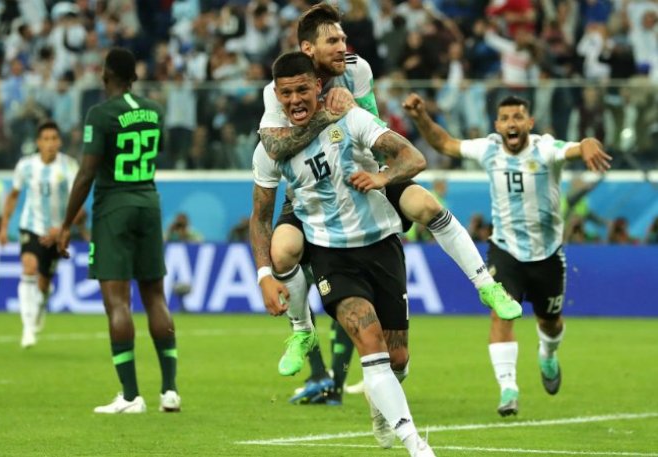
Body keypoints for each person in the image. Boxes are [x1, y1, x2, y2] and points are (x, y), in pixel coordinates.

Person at [257, 2, 520, 417]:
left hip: (364, 173)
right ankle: (301, 331)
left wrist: (379, 169)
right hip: (311, 190)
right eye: (333, 40)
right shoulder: (283, 86)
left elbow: (372, 128)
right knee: (283, 248)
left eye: (344, 38)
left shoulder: (357, 69)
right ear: (308, 49)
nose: (343, 46)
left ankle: (486, 285)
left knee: (425, 204)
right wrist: (327, 114)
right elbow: (274, 146)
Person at [251, 51, 434, 457]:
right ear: (276, 96)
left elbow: (413, 157)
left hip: (381, 244)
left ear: (318, 86)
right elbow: (261, 217)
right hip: (330, 256)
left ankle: (381, 406)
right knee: (370, 344)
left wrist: (383, 177)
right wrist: (264, 274)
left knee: (397, 358)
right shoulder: (270, 150)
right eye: (286, 93)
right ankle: (417, 446)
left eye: (302, 90)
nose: (295, 100)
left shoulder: (350, 118)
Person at [402, 92, 612, 416]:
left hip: (547, 254)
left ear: (529, 122)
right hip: (505, 249)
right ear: (497, 125)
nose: (511, 123)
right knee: (501, 313)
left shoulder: (544, 149)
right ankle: (508, 389)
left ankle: (548, 353)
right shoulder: (489, 149)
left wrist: (587, 144)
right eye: (505, 118)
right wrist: (421, 118)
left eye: (517, 117)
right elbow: (444, 144)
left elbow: (575, 148)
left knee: (551, 323)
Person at [57, 47, 180, 414]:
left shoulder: (100, 114)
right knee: (155, 297)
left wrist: (65, 224)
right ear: (134, 77)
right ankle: (170, 391)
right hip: (149, 202)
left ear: (105, 74)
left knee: (118, 302)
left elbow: (86, 173)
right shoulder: (155, 110)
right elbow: (161, 149)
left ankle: (130, 396)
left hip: (114, 208)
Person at [0, 121, 86, 348]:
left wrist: (64, 228)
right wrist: (4, 226)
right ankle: (27, 328)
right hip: (31, 226)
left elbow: (79, 204)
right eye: (46, 139)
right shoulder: (25, 166)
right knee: (28, 267)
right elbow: (14, 196)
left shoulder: (69, 167)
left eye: (54, 138)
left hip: (57, 233)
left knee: (44, 282)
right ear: (38, 143)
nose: (50, 143)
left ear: (60, 142)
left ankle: (41, 303)